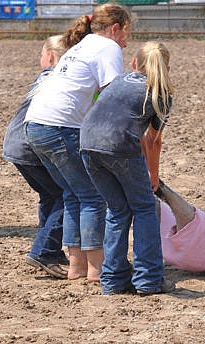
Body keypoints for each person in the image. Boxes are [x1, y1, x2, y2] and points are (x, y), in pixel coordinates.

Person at [24, 3, 132, 282]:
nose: (127, 40)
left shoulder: (81, 46)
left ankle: (77, 268)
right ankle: (96, 270)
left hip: (36, 124)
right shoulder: (108, 48)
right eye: (127, 33)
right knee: (93, 196)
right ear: (116, 28)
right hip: (60, 127)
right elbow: (113, 96)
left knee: (74, 195)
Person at [80, 41, 175, 295]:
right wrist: (152, 177)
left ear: (134, 63)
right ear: (167, 67)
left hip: (87, 143)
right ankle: (148, 279)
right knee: (145, 208)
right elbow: (153, 141)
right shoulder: (161, 94)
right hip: (118, 146)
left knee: (118, 209)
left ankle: (112, 280)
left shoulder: (119, 81)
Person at [3, 35, 69, 279]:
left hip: (18, 145)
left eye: (41, 53)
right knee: (66, 195)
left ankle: (50, 248)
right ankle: (44, 251)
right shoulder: (60, 77)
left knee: (50, 194)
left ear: (51, 56)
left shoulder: (45, 76)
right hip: (30, 147)